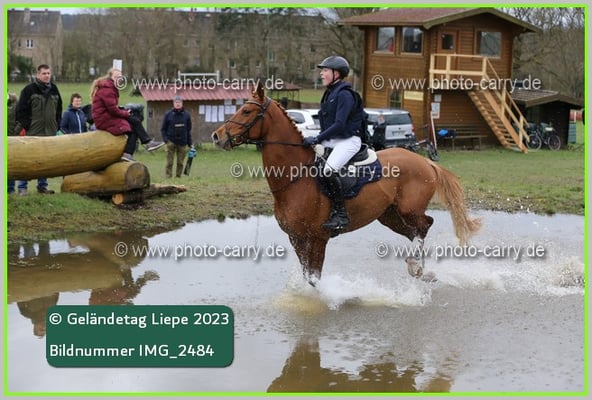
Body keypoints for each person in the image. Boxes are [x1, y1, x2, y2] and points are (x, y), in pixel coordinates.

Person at [302, 56, 363, 231]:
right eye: (322, 71)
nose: (321, 73)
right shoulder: (330, 93)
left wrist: (317, 138)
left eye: (325, 70)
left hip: (348, 141)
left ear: (336, 73)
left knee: (328, 170)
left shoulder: (344, 95)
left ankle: (341, 215)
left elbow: (339, 125)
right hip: (333, 140)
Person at [90, 68, 164, 162]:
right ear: (110, 77)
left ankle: (142, 145)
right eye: (116, 77)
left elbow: (111, 107)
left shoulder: (110, 87)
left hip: (107, 117)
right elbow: (113, 110)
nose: (119, 79)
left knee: (134, 121)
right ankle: (134, 149)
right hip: (104, 120)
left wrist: (123, 110)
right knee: (132, 127)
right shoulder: (107, 89)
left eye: (120, 77)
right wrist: (125, 113)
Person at [15, 64, 63, 194]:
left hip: (50, 132)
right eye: (44, 73)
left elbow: (59, 109)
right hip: (33, 132)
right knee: (28, 159)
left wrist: (57, 125)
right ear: (38, 74)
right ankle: (22, 187)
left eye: (48, 73)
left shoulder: (54, 89)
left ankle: (42, 186)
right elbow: (21, 111)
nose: (47, 76)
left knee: (45, 160)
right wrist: (28, 126)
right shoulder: (28, 90)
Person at [161, 95, 193, 178]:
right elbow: (163, 129)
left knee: (180, 162)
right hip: (171, 141)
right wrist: (166, 140)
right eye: (176, 102)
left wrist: (190, 143)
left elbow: (188, 130)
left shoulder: (186, 115)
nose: (178, 104)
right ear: (173, 103)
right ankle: (168, 176)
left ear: (182, 103)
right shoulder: (168, 114)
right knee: (169, 162)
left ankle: (178, 176)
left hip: (182, 142)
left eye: (179, 102)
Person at [7, 92, 29, 195]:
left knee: (11, 163)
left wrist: (15, 132)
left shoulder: (15, 102)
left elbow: (21, 118)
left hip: (12, 138)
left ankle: (10, 189)